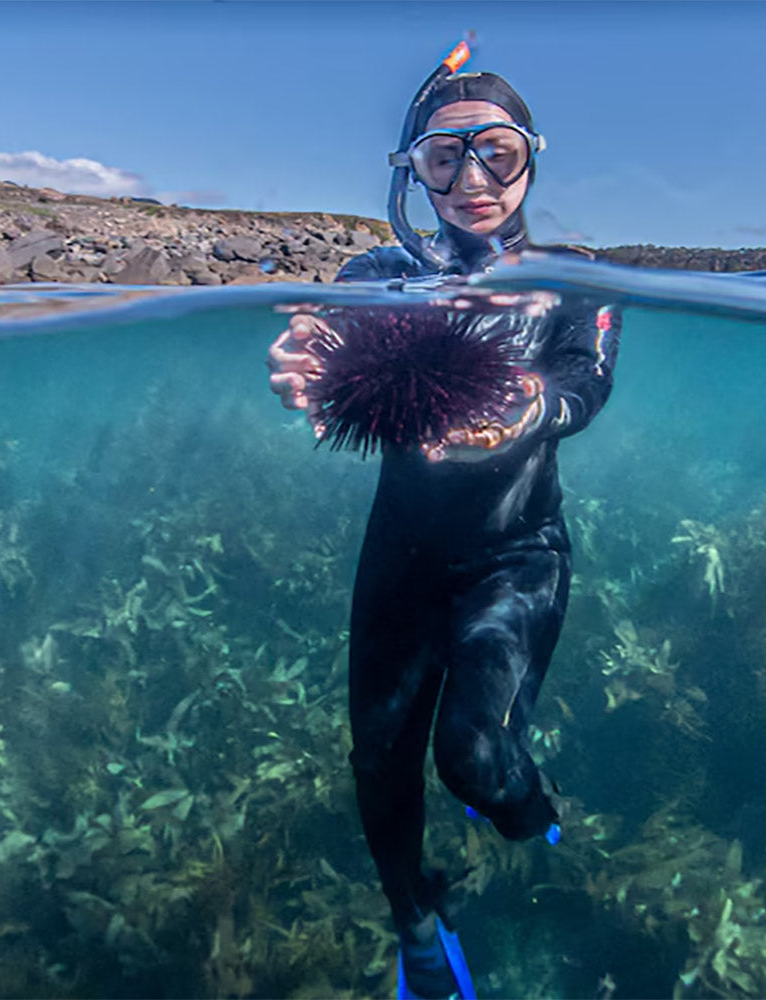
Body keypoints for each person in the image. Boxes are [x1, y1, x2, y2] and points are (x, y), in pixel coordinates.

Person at [268, 60, 620, 1000]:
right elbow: (329, 332)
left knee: (474, 758)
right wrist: (307, 351)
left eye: (495, 153)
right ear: (411, 172)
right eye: (443, 158)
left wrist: (529, 404)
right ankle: (419, 931)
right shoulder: (381, 275)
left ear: (530, 163)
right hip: (401, 560)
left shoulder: (569, 280)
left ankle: (522, 809)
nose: (470, 182)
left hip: (517, 554)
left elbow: (586, 385)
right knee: (379, 759)